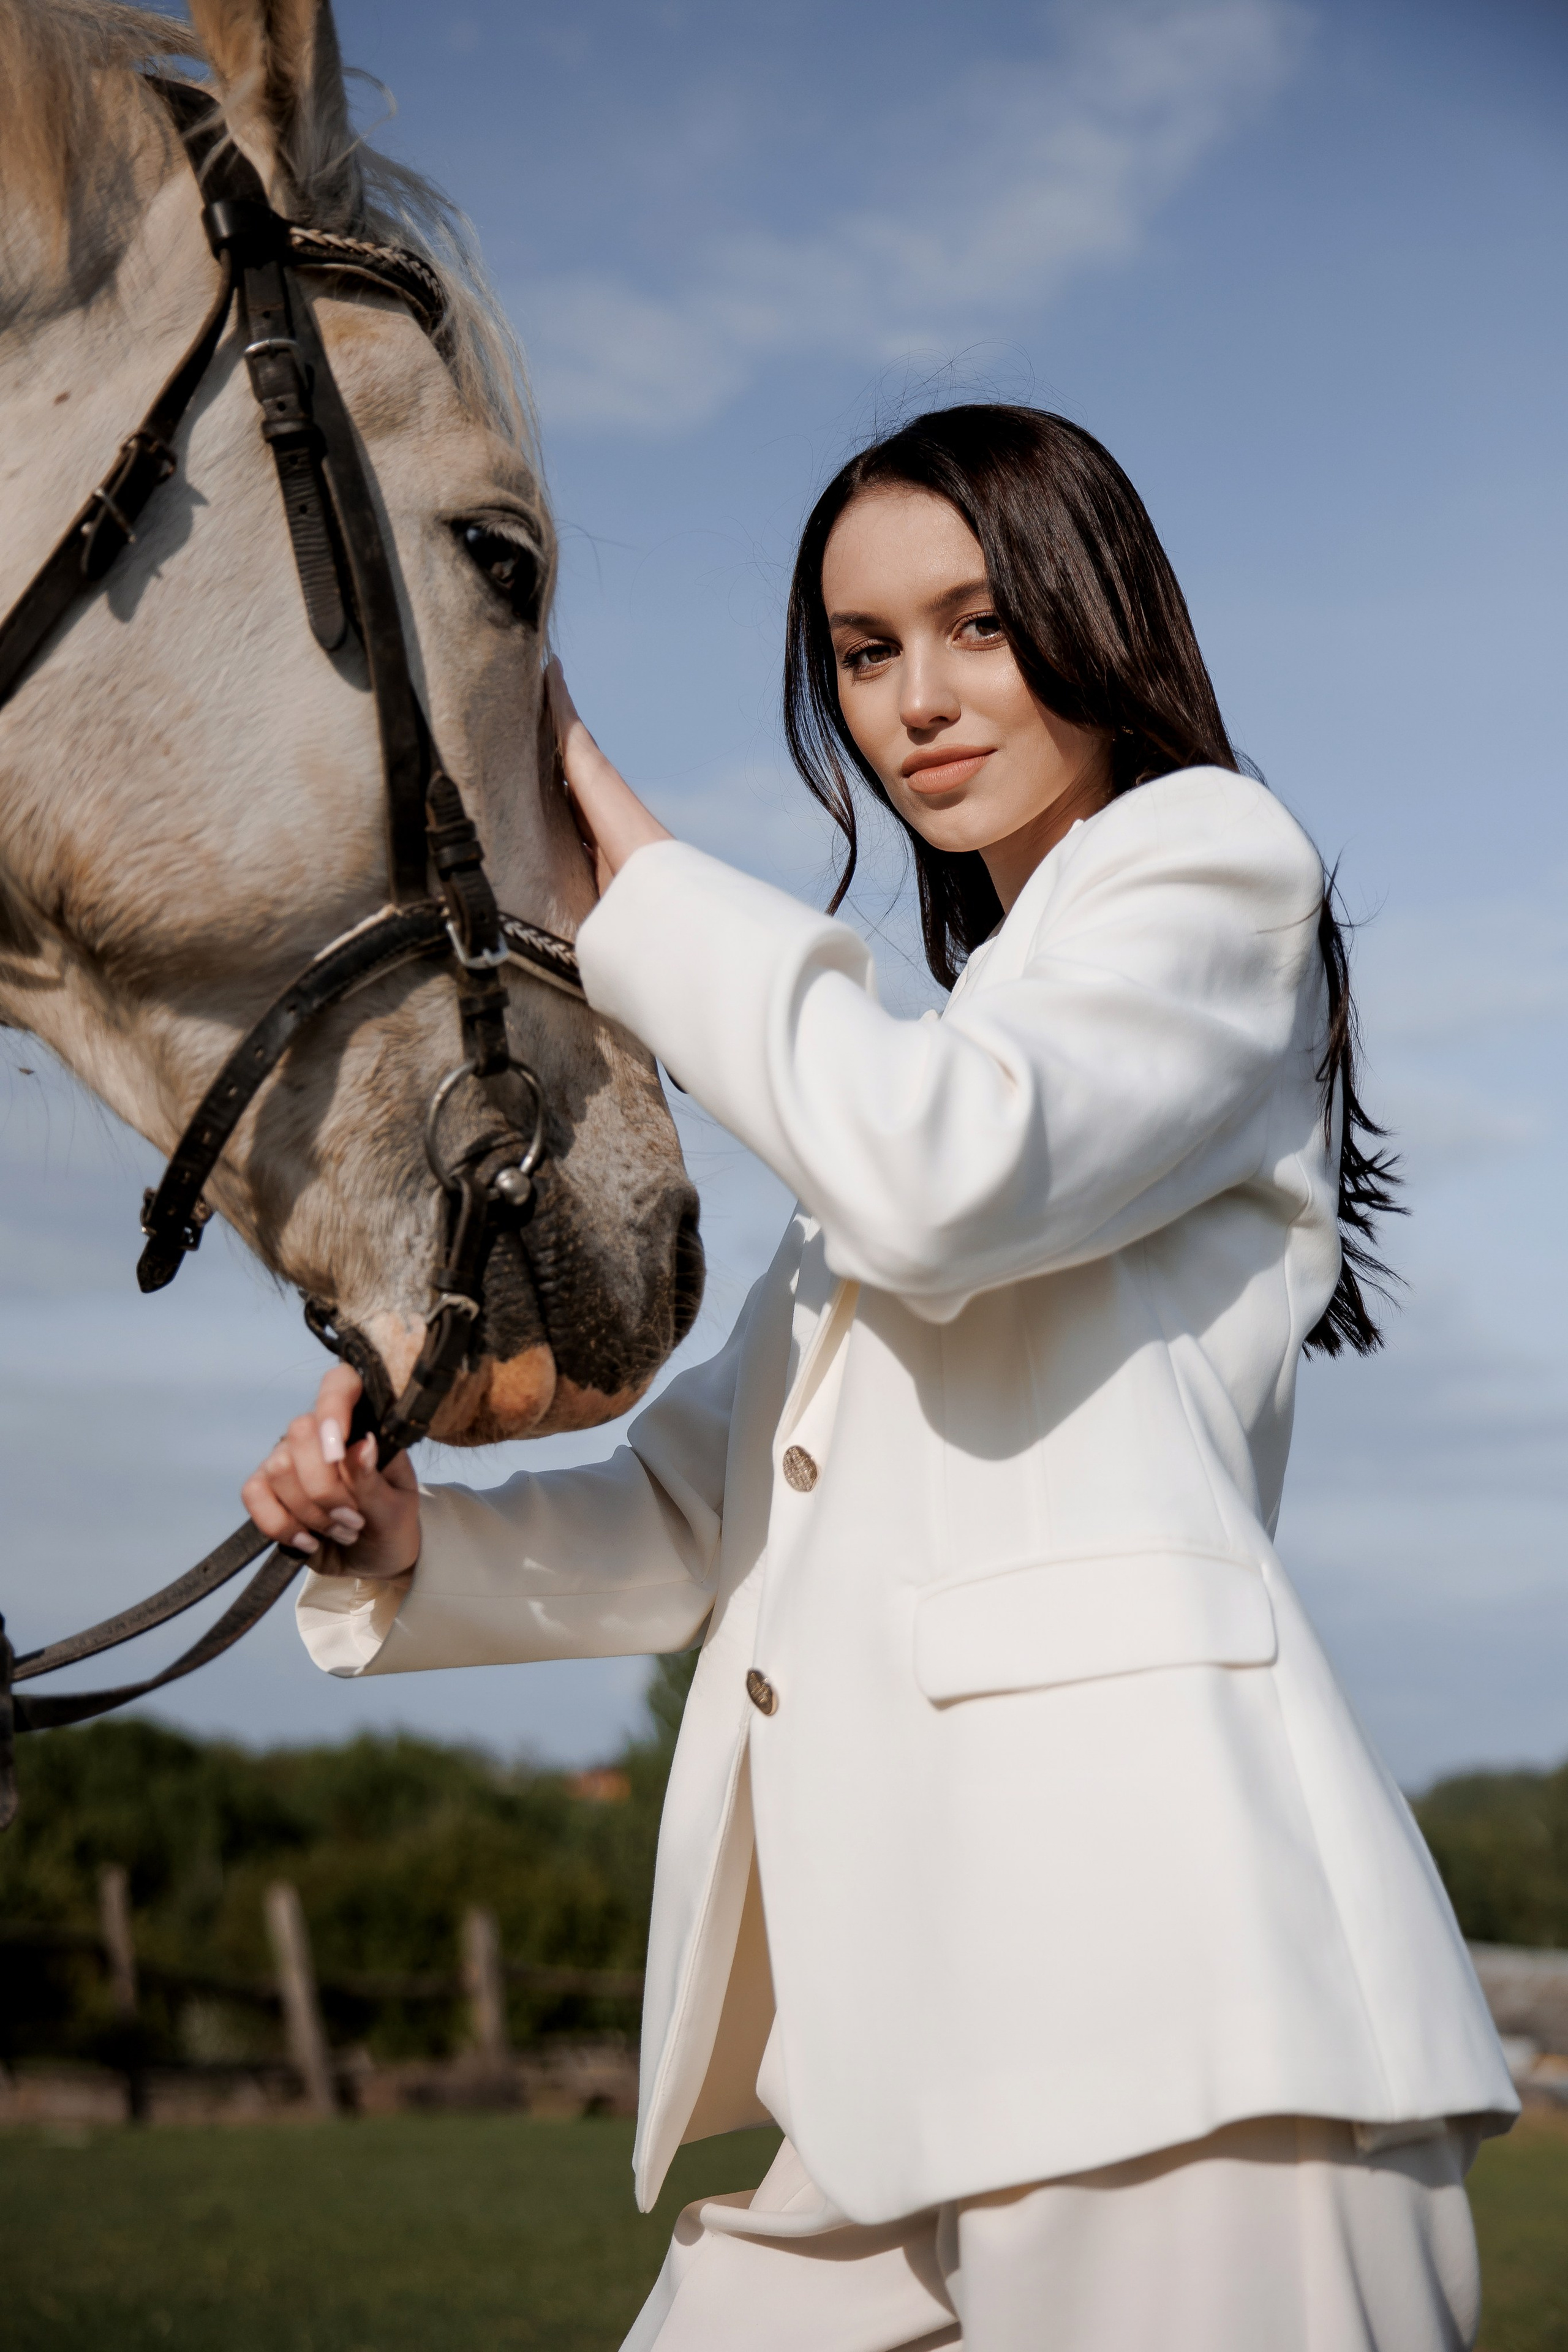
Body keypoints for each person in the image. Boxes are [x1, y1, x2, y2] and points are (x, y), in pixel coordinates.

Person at [244, 407, 1516, 2351]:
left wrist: (643, 882)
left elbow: (940, 1169)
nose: (915, 700)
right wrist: (406, 1548)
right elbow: (711, 1506)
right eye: (862, 653)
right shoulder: (957, 1046)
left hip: (1180, 2025)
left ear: (1098, 618)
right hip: (902, 2055)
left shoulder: (1209, 874)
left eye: (978, 624)